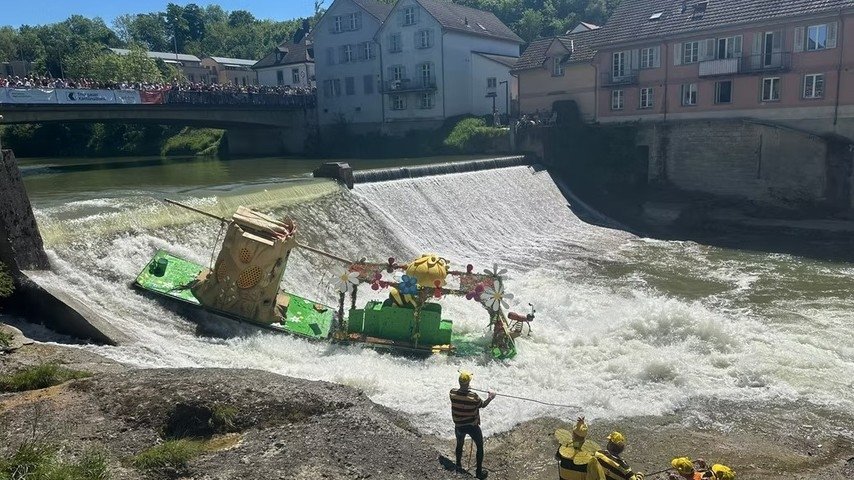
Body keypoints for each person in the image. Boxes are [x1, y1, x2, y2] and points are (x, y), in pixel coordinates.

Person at [450, 370, 495, 479]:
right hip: (472, 426)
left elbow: (462, 396)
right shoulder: (474, 397)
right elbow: (482, 405)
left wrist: (465, 389)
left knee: (459, 444)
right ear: (468, 383)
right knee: (479, 446)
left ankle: (458, 464)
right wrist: (491, 397)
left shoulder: (452, 393)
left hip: (459, 426)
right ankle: (479, 473)